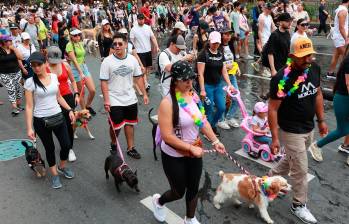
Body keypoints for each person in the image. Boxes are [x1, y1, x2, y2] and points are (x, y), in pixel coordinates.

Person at [152, 60, 226, 224]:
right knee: (178, 192)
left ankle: (190, 219)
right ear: (175, 80)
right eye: (185, 79)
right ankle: (159, 202)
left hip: (195, 150)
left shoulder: (194, 96)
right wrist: (189, 149)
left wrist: (215, 141)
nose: (189, 82)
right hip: (174, 154)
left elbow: (202, 121)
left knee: (193, 188)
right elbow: (167, 136)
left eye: (191, 78)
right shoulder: (167, 103)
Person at [268, 37, 328, 224]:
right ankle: (298, 205)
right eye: (303, 56)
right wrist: (275, 138)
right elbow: (273, 109)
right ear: (292, 56)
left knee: (290, 160)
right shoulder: (281, 79)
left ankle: (269, 181)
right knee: (301, 169)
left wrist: (321, 120)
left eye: (310, 55)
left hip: (308, 127)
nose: (308, 59)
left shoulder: (314, 69)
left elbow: (317, 94)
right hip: (290, 130)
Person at [24, 52, 75, 189]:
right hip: (41, 121)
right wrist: (29, 128)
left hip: (58, 116)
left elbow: (59, 97)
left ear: (46, 63)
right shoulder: (30, 82)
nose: (36, 68)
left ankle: (62, 166)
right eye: (33, 65)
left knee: (66, 145)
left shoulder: (53, 77)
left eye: (39, 64)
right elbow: (29, 107)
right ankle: (54, 175)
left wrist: (69, 110)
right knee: (50, 148)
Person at [100, 33, 149, 159]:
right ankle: (113, 143)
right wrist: (106, 101)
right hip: (114, 99)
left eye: (120, 44)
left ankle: (130, 148)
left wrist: (144, 94)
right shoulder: (107, 61)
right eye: (114, 44)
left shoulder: (132, 60)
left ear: (126, 44)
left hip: (130, 98)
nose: (117, 46)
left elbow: (138, 78)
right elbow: (104, 82)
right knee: (115, 127)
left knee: (129, 123)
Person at [309, 44, 349, 166]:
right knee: (342, 130)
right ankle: (316, 146)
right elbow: (348, 85)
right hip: (343, 99)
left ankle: (346, 147)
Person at [197, 31, 235, 136]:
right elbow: (200, 73)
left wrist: (229, 84)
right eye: (214, 43)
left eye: (217, 43)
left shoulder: (220, 54)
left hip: (218, 85)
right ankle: (207, 132)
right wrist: (202, 89)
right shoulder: (203, 54)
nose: (216, 45)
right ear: (209, 41)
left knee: (222, 108)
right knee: (208, 110)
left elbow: (223, 71)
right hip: (207, 86)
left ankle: (212, 125)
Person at [46, 46, 80, 162]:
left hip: (68, 96)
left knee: (70, 123)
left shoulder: (65, 65)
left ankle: (69, 148)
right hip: (53, 98)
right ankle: (64, 143)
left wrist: (76, 93)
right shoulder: (44, 68)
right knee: (59, 124)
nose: (55, 63)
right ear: (47, 57)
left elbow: (73, 80)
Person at [66, 29, 96, 115]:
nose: (77, 37)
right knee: (82, 93)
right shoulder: (69, 45)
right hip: (76, 70)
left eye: (79, 35)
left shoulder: (80, 43)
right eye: (75, 35)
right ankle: (84, 112)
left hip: (84, 67)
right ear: (71, 36)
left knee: (92, 90)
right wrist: (80, 72)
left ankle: (88, 106)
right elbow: (74, 60)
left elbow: (83, 54)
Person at [130, 13, 160, 91]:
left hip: (148, 50)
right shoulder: (133, 29)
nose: (141, 21)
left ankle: (145, 81)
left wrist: (157, 46)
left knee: (148, 68)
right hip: (139, 52)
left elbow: (153, 38)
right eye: (140, 19)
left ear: (144, 19)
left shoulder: (148, 27)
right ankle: (145, 83)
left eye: (142, 19)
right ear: (137, 20)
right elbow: (131, 41)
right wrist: (132, 52)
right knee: (142, 68)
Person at [217, 28, 239, 129]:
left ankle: (229, 117)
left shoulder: (231, 45)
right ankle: (220, 120)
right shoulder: (218, 47)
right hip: (222, 76)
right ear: (221, 35)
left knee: (237, 98)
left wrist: (237, 67)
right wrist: (225, 67)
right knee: (222, 99)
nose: (228, 36)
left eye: (229, 34)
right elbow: (217, 62)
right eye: (226, 34)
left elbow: (233, 59)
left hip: (232, 75)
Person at [261, 13, 292, 77]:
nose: (289, 23)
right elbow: (270, 53)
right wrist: (273, 69)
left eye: (290, 21)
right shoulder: (275, 35)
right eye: (287, 21)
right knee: (277, 86)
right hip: (277, 67)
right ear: (280, 22)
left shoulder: (287, 33)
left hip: (285, 66)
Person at [0, 35, 24, 116]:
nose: (10, 42)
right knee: (11, 88)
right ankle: (14, 107)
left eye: (10, 40)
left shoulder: (14, 49)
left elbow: (21, 57)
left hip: (16, 72)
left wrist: (14, 49)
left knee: (17, 88)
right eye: (8, 41)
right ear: (3, 42)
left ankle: (18, 105)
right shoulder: (0, 50)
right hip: (5, 73)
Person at [328, 0, 349, 80]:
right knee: (346, 59)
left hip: (339, 38)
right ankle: (343, 77)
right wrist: (346, 39)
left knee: (336, 56)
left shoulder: (341, 9)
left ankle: (330, 73)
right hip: (340, 39)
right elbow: (341, 27)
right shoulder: (343, 11)